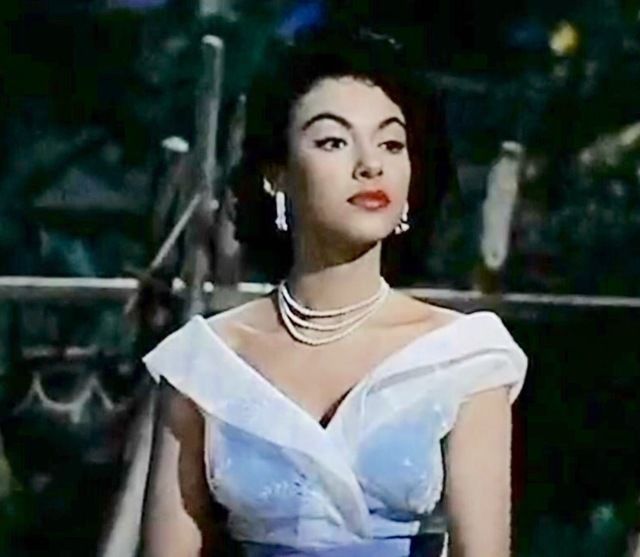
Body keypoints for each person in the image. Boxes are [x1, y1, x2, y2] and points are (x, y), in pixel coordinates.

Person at [140, 26, 527, 557]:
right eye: (333, 141)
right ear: (277, 175)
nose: (370, 164)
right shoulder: (204, 364)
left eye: (391, 143)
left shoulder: (463, 356)